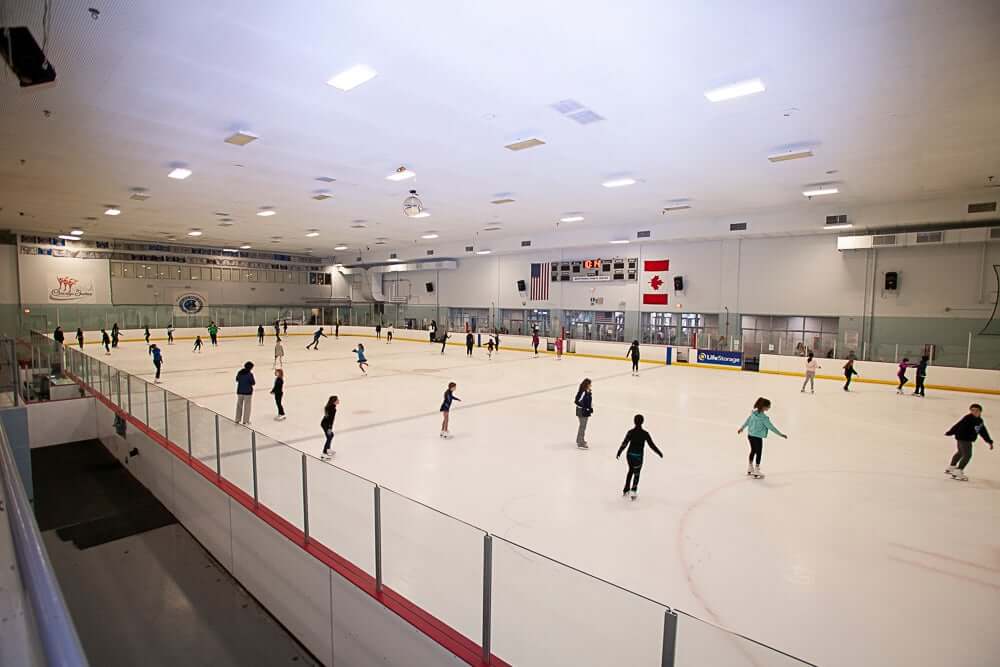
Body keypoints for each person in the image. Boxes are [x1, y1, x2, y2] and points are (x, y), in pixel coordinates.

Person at [737, 397, 787, 479]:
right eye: (768, 406)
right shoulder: (764, 418)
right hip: (757, 437)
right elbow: (771, 427)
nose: (769, 408)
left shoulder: (753, 414)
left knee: (753, 450)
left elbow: (748, 421)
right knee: (759, 452)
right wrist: (780, 434)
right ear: (764, 407)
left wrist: (742, 428)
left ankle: (750, 467)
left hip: (750, 435)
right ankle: (756, 469)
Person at [616, 414, 663, 500]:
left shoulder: (630, 432)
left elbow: (625, 443)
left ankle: (626, 489)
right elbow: (651, 445)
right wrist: (659, 452)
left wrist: (619, 451)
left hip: (629, 455)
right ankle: (633, 491)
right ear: (642, 422)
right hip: (638, 456)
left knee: (630, 471)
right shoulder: (645, 434)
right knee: (636, 473)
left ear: (634, 421)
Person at [944, 403, 994, 481]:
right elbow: (958, 425)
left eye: (976, 410)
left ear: (980, 411)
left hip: (964, 438)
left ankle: (951, 467)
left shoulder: (979, 420)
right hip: (964, 439)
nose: (974, 412)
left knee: (960, 452)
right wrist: (951, 432)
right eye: (972, 410)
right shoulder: (968, 418)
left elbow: (983, 431)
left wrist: (989, 441)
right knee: (967, 455)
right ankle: (958, 471)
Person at [574, 378, 593, 449]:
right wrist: (585, 407)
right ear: (587, 384)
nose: (591, 385)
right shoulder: (583, 392)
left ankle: (580, 440)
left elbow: (588, 401)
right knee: (582, 427)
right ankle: (580, 442)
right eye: (590, 384)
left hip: (585, 411)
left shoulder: (588, 392)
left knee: (583, 426)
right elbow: (576, 401)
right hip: (581, 411)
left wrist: (590, 408)